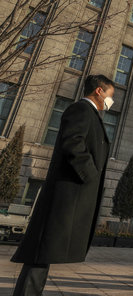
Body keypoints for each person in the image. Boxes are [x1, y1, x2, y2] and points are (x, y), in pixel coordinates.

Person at [11, 74, 113, 295]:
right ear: (98, 91)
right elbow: (72, 142)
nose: (110, 101)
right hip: (66, 192)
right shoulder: (81, 110)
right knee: (40, 252)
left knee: (43, 253)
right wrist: (90, 175)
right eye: (110, 95)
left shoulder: (91, 114)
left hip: (70, 192)